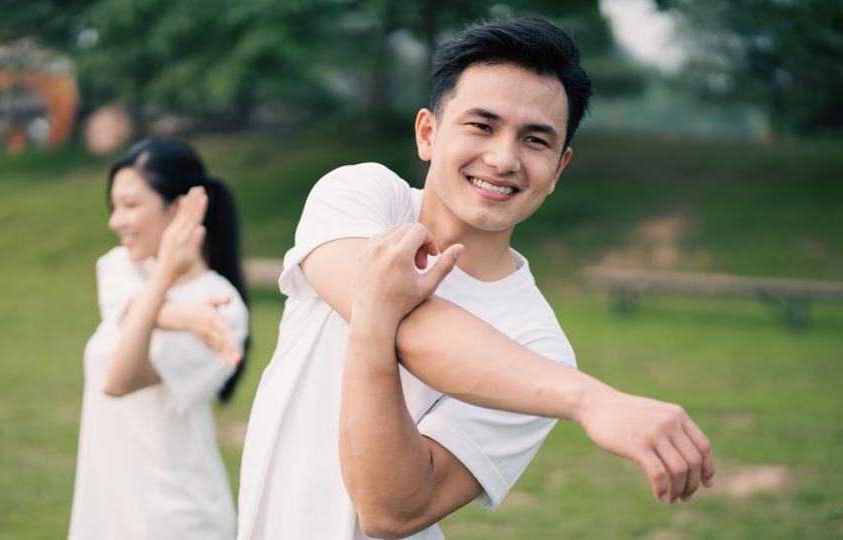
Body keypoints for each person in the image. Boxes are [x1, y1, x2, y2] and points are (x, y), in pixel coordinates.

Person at [237, 17, 713, 540]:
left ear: (558, 168)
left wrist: (374, 320)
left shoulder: (540, 350)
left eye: (535, 140)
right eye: (481, 126)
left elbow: (390, 511)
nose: (503, 158)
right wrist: (590, 400)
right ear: (428, 133)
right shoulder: (361, 197)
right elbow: (418, 331)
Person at [68, 138, 249, 540]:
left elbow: (118, 380)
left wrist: (166, 275)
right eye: (114, 206)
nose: (116, 221)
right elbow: (137, 309)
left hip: (176, 520)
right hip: (106, 512)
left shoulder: (223, 309)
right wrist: (182, 315)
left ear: (182, 207)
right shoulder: (120, 266)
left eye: (131, 205)